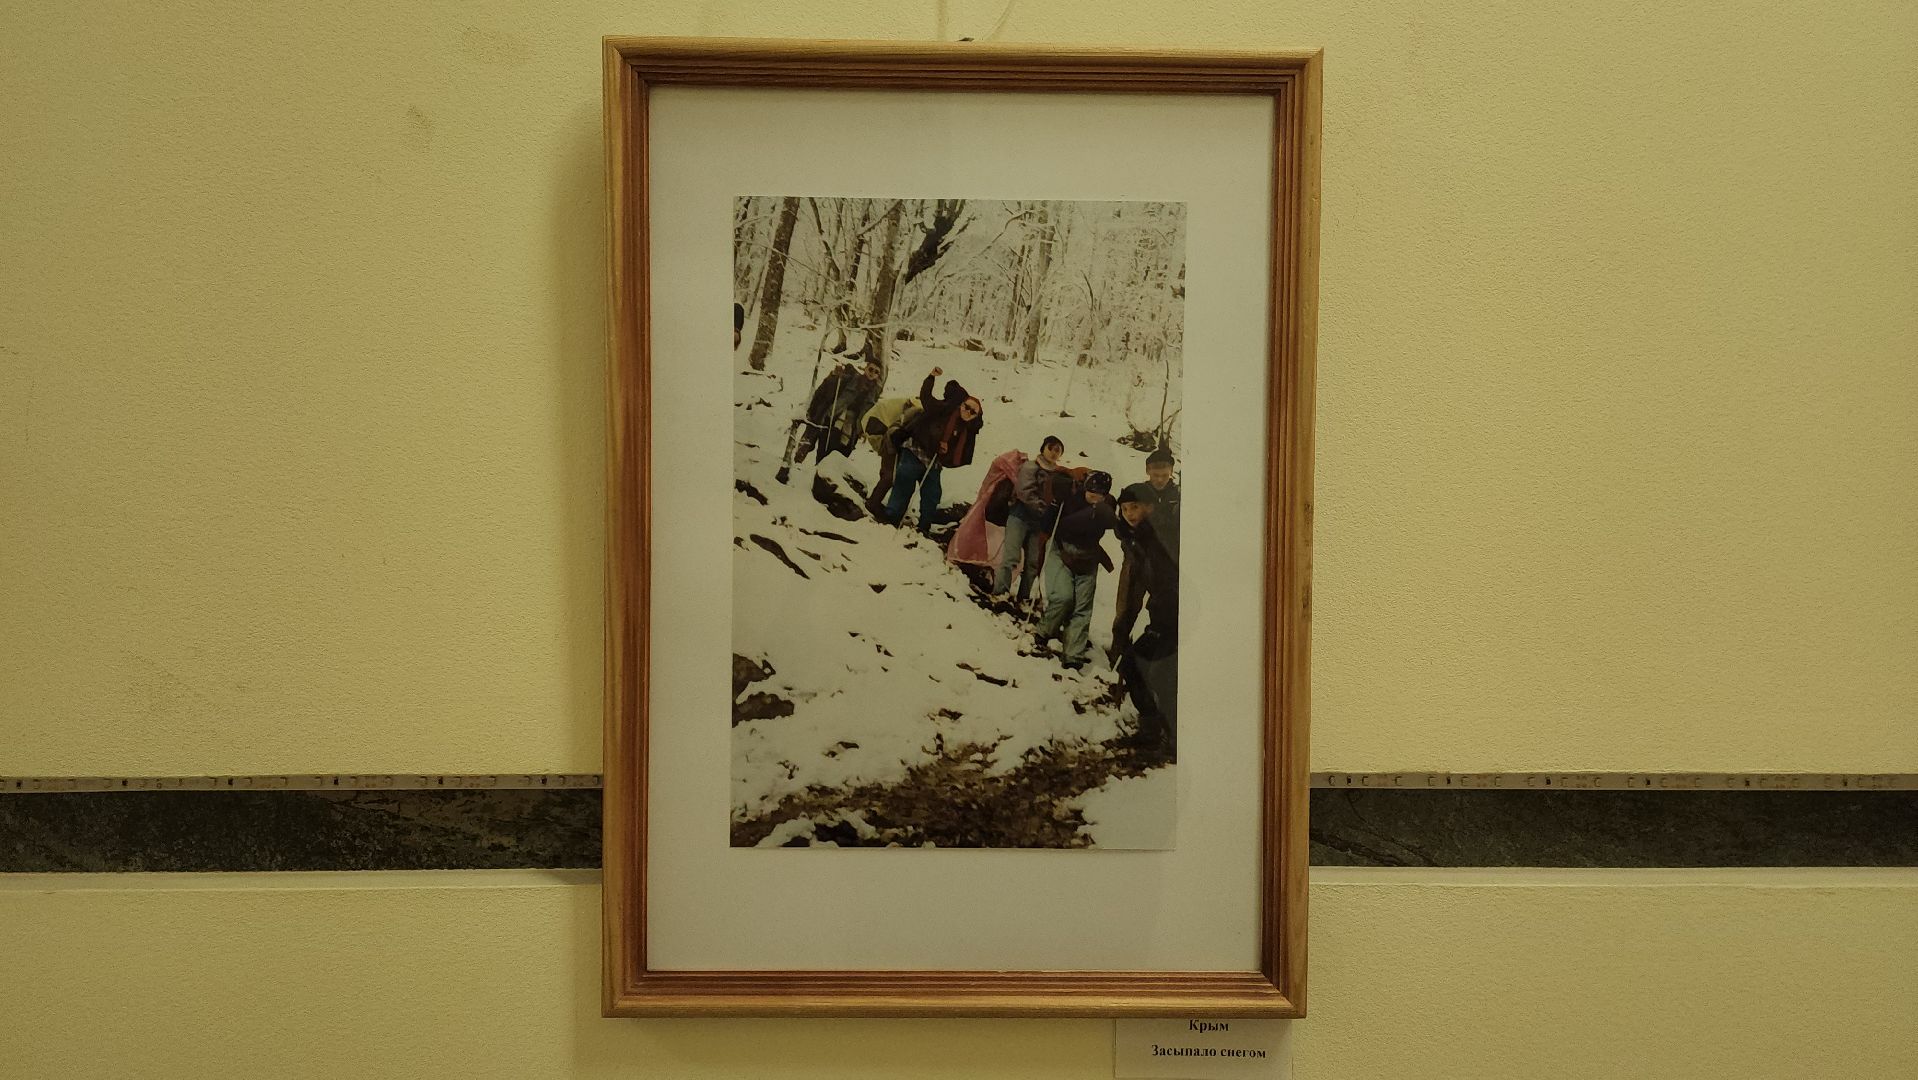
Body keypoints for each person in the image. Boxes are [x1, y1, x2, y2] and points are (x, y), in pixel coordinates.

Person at [1036, 472, 1147, 670]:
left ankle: (1073, 656)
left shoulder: (1108, 506)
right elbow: (1047, 525)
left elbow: (1120, 525)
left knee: (1083, 609)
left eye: (1100, 494)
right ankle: (1044, 631)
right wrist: (1055, 504)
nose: (1095, 497)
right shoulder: (1069, 499)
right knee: (1063, 597)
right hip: (1061, 550)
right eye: (1091, 492)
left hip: (1088, 557)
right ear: (1085, 488)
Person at [884, 366, 983, 537]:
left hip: (934, 461)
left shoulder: (967, 432)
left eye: (973, 412)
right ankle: (891, 519)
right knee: (904, 481)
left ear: (976, 417)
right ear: (961, 404)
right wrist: (931, 378)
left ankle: (924, 527)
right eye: (967, 407)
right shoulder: (943, 409)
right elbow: (926, 398)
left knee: (932, 493)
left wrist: (945, 452)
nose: (968, 412)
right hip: (917, 448)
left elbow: (959, 454)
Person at [1111, 446, 1181, 660]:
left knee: (1163, 609)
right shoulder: (1138, 492)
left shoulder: (1177, 496)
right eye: (1155, 474)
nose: (1160, 479)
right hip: (1135, 559)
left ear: (1171, 472)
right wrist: (1128, 538)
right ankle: (1117, 650)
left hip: (1166, 563)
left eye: (1164, 475)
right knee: (1126, 607)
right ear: (1147, 472)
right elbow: (1121, 521)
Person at [992, 435, 1067, 606]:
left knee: (1033, 562)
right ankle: (1000, 592)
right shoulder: (1030, 466)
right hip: (1019, 515)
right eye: (1051, 448)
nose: (1054, 453)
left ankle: (1023, 597)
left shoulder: (1058, 475)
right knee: (1011, 557)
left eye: (1058, 450)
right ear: (1043, 448)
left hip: (1038, 523)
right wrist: (1044, 510)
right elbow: (1024, 491)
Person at [792, 357, 884, 466]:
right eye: (871, 369)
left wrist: (862, 430)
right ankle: (817, 471)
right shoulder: (852, 379)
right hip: (834, 419)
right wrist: (835, 374)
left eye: (876, 372)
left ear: (878, 376)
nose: (872, 373)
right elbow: (833, 383)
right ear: (865, 369)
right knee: (825, 450)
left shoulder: (874, 392)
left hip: (851, 428)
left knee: (841, 454)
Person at [858, 394, 922, 517]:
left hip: (876, 424)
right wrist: (894, 450)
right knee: (889, 475)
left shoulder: (906, 404)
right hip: (880, 427)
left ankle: (874, 502)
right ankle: (872, 504)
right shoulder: (915, 410)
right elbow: (895, 432)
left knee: (888, 473)